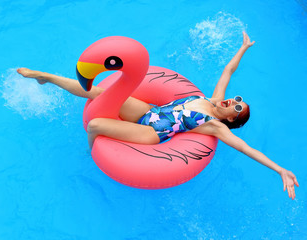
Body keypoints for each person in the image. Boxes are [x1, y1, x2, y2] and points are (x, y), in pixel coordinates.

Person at [17, 32, 299, 200]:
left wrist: (280, 170)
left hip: (154, 133)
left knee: (96, 124)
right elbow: (228, 71)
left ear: (230, 120)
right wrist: (243, 48)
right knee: (100, 92)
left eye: (237, 108)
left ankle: (93, 149)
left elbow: (247, 149)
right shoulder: (210, 100)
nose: (233, 101)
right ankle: (47, 78)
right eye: (237, 99)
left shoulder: (214, 126)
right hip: (151, 112)